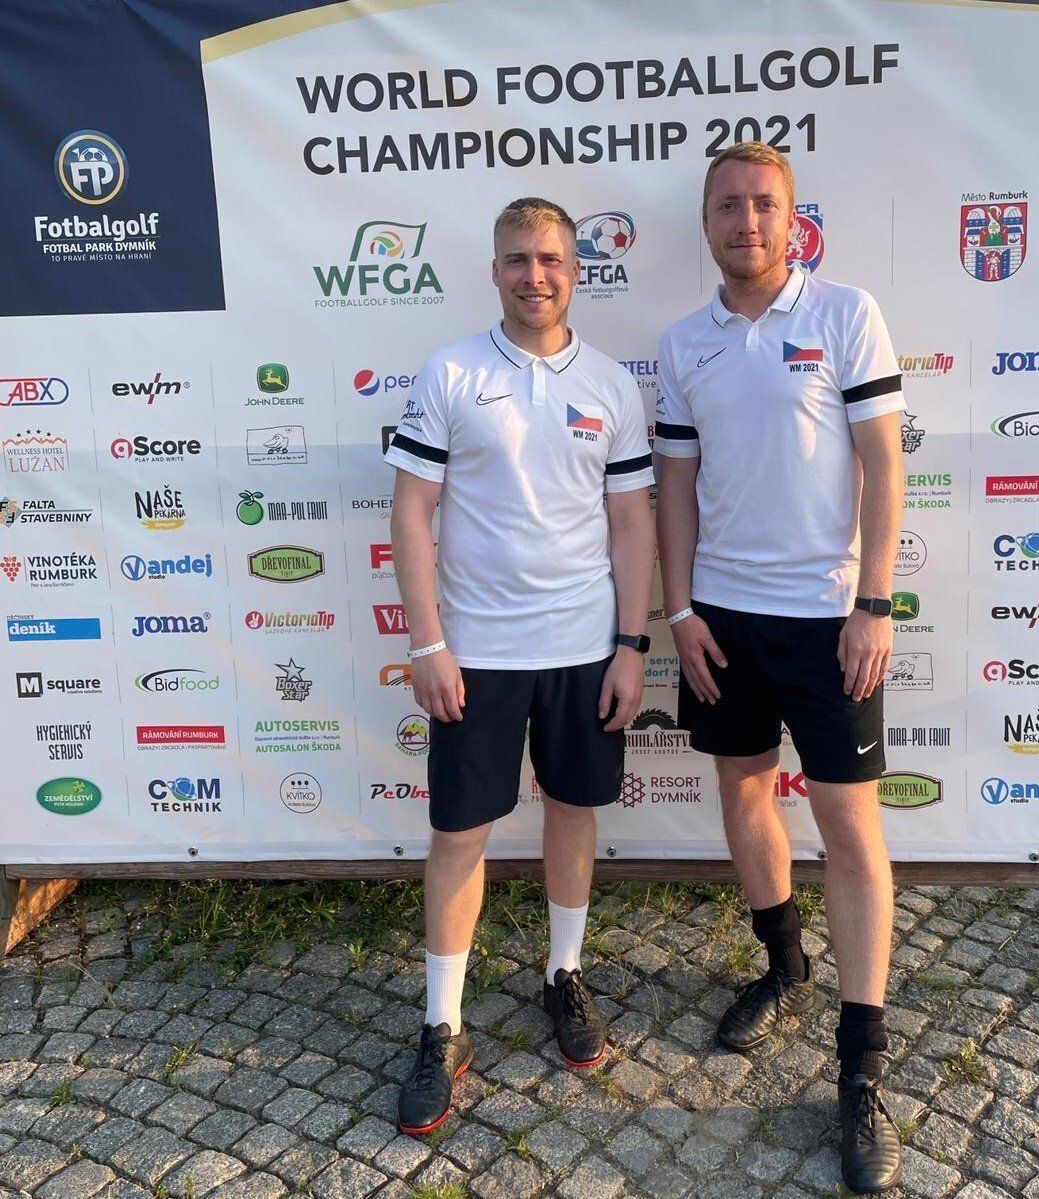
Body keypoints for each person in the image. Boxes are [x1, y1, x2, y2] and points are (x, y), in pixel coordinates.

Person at [654, 142, 906, 1194]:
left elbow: (884, 462)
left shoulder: (845, 313)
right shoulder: (683, 342)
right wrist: (678, 610)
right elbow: (674, 485)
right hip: (722, 616)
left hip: (828, 619)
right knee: (745, 791)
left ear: (792, 219)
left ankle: (862, 1062)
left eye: (763, 204)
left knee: (848, 825)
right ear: (706, 221)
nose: (745, 220)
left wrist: (873, 604)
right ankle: (785, 965)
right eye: (728, 204)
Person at [386, 197, 655, 1136]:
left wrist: (632, 646)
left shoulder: (613, 384)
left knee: (573, 811)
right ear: (494, 269)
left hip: (584, 648)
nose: (534, 276)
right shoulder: (451, 372)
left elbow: (632, 523)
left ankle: (564, 973)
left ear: (576, 270)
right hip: (477, 653)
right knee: (460, 832)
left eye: (550, 260)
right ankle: (441, 1023)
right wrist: (427, 643)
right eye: (516, 260)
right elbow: (410, 510)